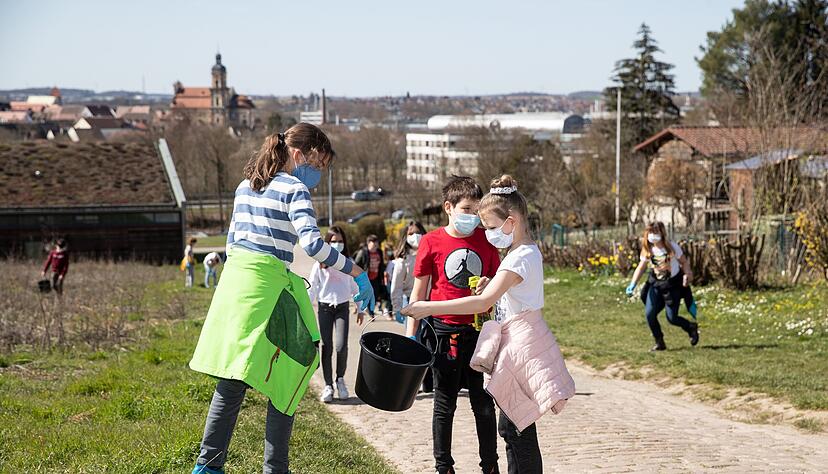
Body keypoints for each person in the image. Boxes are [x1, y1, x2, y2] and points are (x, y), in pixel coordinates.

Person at [189, 123, 375, 474]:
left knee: (232, 378)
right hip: (269, 286)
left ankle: (208, 466)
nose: (318, 174)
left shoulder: (245, 186)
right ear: (299, 154)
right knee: (293, 370)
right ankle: (276, 468)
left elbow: (231, 243)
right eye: (319, 165)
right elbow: (314, 245)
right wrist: (356, 272)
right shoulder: (294, 188)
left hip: (237, 286)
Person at [403, 175, 575, 474]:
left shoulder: (517, 258)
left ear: (511, 222)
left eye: (493, 227)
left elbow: (482, 304)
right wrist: (492, 283)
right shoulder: (523, 253)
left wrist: (427, 307)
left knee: (516, 428)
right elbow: (505, 290)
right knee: (512, 426)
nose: (489, 234)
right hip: (519, 339)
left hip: (520, 345)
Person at [403, 175, 501, 474]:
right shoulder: (431, 241)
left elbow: (500, 284)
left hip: (479, 332)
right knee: (444, 404)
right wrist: (410, 340)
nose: (473, 217)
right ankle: (443, 466)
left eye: (477, 211)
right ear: (449, 206)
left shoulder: (487, 240)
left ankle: (490, 466)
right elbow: (419, 294)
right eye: (467, 209)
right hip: (443, 332)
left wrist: (489, 285)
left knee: (483, 404)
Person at [308, 226, 365, 403]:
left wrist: (360, 307)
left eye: (340, 241)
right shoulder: (319, 264)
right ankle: (328, 385)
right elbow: (312, 287)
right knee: (327, 346)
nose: (337, 244)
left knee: (341, 346)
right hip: (325, 308)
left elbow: (355, 286)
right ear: (327, 243)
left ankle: (340, 379)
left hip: (342, 308)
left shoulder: (347, 262)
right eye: (333, 242)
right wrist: (305, 308)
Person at [626, 221, 700, 351]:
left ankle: (691, 327)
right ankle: (659, 342)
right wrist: (633, 283)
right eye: (650, 232)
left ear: (662, 233)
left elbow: (684, 262)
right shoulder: (648, 249)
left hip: (672, 286)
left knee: (672, 318)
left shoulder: (672, 247)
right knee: (650, 314)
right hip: (655, 285)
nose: (652, 235)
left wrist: (687, 274)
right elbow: (641, 267)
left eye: (655, 232)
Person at [355, 235, 392, 320]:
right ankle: (371, 312)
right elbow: (357, 263)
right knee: (368, 294)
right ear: (368, 243)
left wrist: (382, 276)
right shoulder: (363, 252)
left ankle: (370, 310)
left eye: (376, 243)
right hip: (366, 278)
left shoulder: (379, 252)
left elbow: (381, 265)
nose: (375, 245)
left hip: (376, 277)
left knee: (375, 295)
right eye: (373, 243)